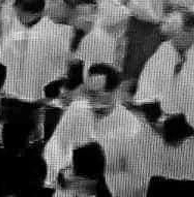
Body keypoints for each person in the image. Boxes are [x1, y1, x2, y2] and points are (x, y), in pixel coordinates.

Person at [134, 10, 194, 197]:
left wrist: (173, 129)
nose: (173, 40)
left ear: (191, 31)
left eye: (177, 35)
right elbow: (147, 88)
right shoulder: (165, 50)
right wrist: (155, 117)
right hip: (162, 146)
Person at [0, 0, 72, 197]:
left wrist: (46, 98)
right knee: (1, 147)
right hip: (12, 98)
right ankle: (0, 189)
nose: (17, 16)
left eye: (19, 13)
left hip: (36, 103)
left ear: (33, 12)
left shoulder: (53, 35)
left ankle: (23, 190)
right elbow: (2, 62)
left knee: (30, 151)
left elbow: (59, 73)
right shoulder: (18, 28)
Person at [42, 63, 157, 196]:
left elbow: (138, 178)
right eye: (88, 93)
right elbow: (55, 146)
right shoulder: (76, 109)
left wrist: (96, 184)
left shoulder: (131, 126)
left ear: (114, 92)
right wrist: (60, 173)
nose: (90, 99)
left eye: (95, 94)